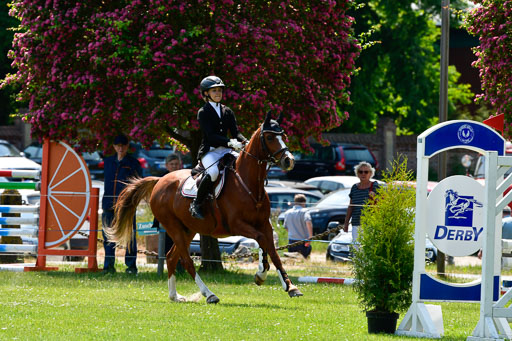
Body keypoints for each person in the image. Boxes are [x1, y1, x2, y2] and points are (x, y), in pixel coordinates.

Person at [189, 75, 248, 219]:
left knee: (244, 166)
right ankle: (196, 203)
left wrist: (245, 141)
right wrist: (229, 142)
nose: (218, 93)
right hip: (211, 151)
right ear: (206, 94)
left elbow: (236, 132)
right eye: (214, 91)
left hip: (227, 150)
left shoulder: (227, 111)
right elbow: (210, 135)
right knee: (214, 172)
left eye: (220, 91)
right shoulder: (203, 112)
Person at [102, 134, 143, 274]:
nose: (120, 148)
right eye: (118, 145)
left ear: (127, 147)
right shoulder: (108, 162)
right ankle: (108, 266)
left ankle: (131, 267)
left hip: (126, 206)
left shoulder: (133, 163)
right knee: (108, 236)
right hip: (108, 204)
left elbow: (138, 184)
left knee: (130, 237)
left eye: (123, 145)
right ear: (114, 147)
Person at [148, 153, 182, 262]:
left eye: (176, 164)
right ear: (167, 165)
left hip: (179, 215)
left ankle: (180, 265)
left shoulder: (184, 177)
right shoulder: (162, 179)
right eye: (171, 164)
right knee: (166, 242)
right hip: (166, 215)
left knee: (180, 241)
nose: (174, 166)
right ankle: (167, 265)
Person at [343, 161, 380, 243]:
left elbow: (381, 204)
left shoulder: (374, 186)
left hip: (370, 223)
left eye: (366, 172)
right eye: (360, 172)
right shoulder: (354, 188)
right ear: (357, 173)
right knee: (357, 247)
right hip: (356, 222)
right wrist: (346, 224)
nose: (363, 174)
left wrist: (374, 197)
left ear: (370, 174)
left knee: (369, 247)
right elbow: (351, 206)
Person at [282, 194, 313, 258]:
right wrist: (310, 237)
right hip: (303, 241)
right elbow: (308, 222)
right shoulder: (305, 211)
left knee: (292, 260)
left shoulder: (287, 213)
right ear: (304, 202)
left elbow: (286, 227)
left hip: (291, 241)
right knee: (304, 259)